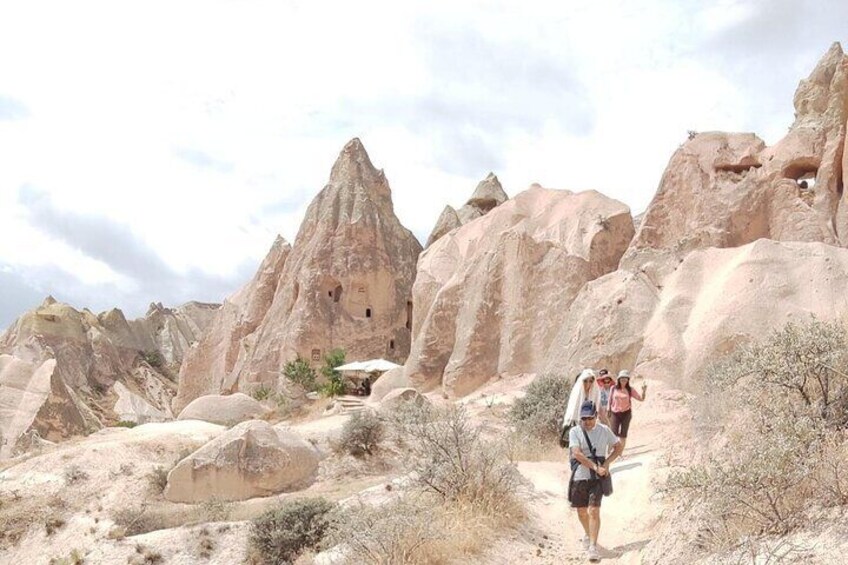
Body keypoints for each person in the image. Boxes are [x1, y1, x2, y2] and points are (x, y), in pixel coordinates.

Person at [569, 400, 623, 562]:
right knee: (581, 511)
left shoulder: (604, 430)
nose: (587, 421)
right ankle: (588, 534)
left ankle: (593, 546)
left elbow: (618, 447)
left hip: (598, 478)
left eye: (590, 418)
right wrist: (595, 467)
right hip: (580, 476)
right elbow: (576, 453)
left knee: (593, 510)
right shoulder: (575, 431)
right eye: (584, 418)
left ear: (596, 416)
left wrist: (606, 464)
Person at [607, 370, 647, 452]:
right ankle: (610, 452)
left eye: (625, 379)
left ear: (628, 380)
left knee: (623, 434)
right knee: (613, 433)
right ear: (619, 379)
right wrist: (608, 410)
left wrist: (643, 391)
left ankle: (619, 452)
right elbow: (610, 400)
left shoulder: (630, 390)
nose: (623, 380)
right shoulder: (613, 388)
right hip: (615, 413)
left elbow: (641, 399)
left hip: (626, 413)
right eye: (622, 379)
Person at [562, 369, 601, 433]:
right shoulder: (576, 394)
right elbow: (573, 412)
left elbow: (597, 410)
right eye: (585, 381)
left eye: (591, 381)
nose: (588, 384)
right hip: (576, 424)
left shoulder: (594, 394)